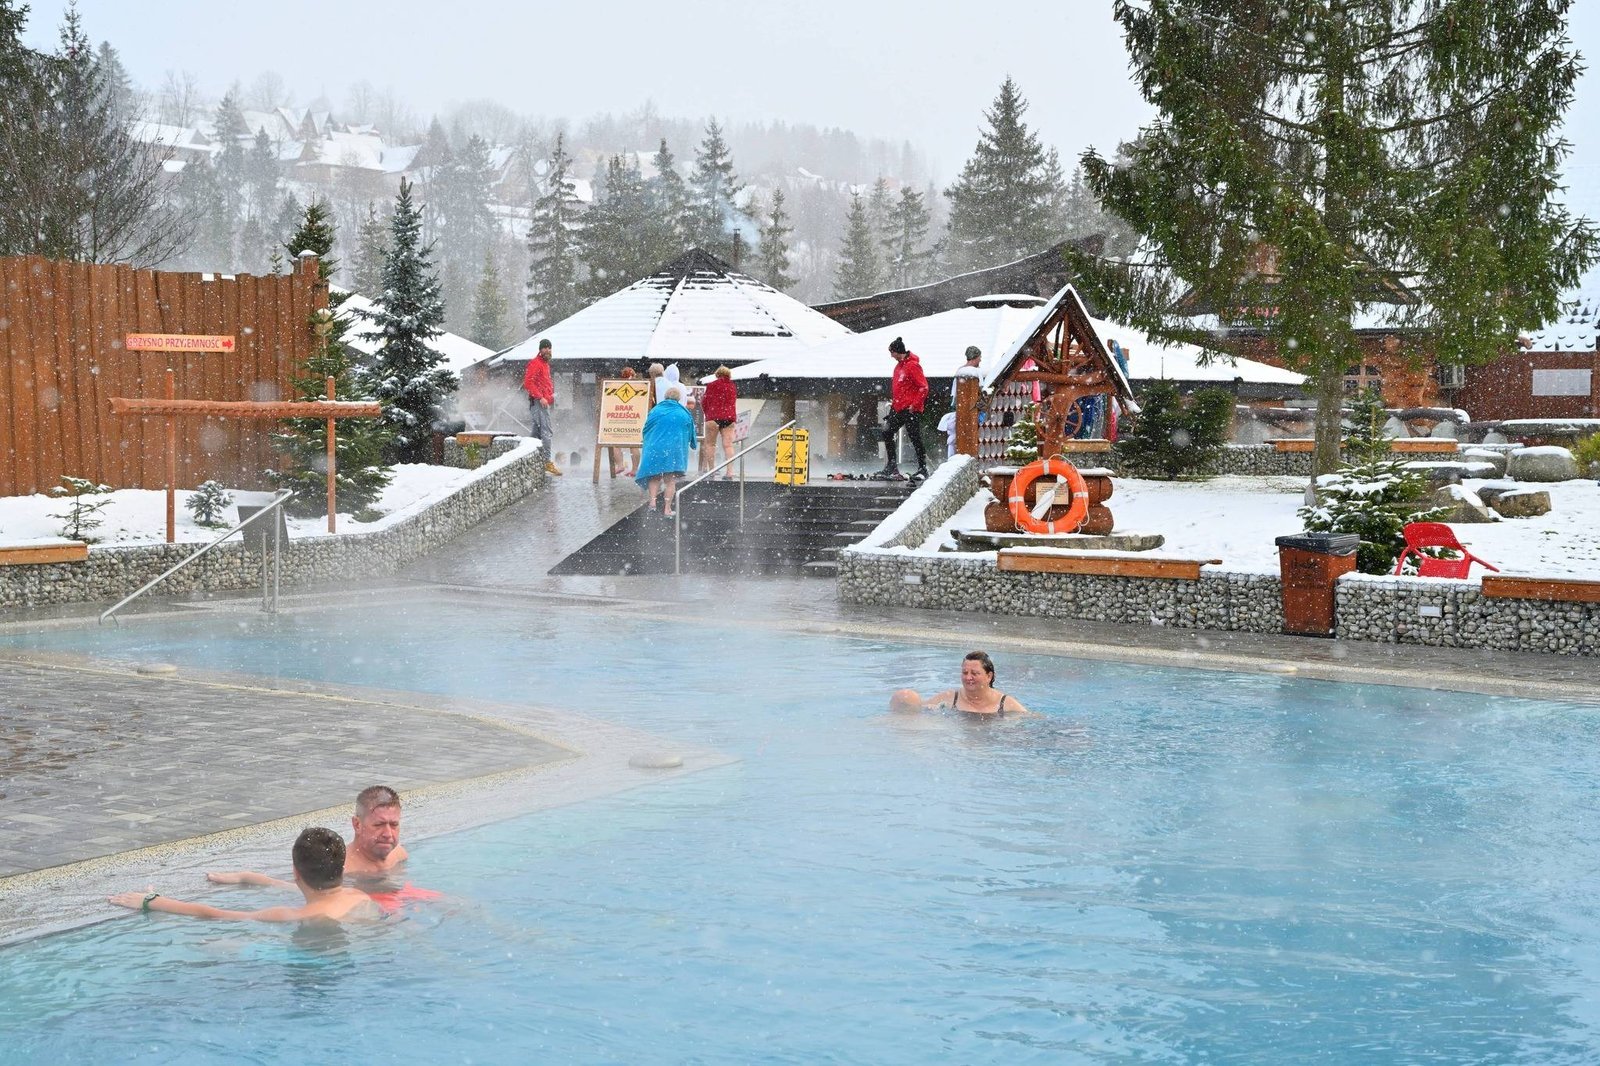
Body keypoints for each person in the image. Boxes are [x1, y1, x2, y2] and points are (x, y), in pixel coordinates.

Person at [109, 827, 380, 924]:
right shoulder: (357, 896)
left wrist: (152, 901)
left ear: (296, 871)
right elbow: (287, 887)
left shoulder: (295, 916)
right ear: (342, 869)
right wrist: (250, 877)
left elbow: (215, 914)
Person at [209, 785, 408, 888]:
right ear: (357, 824)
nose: (388, 834)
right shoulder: (340, 867)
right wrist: (247, 877)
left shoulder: (398, 854)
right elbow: (296, 888)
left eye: (394, 825)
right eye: (379, 825)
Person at [890, 650, 1033, 717]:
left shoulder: (1005, 704)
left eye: (974, 673)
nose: (968, 678)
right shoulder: (951, 698)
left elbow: (1031, 720)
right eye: (965, 673)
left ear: (989, 676)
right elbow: (917, 709)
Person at [635, 386, 698, 516]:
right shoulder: (684, 413)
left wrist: (649, 440)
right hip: (673, 449)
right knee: (670, 480)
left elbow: (646, 428)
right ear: (679, 399)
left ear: (665, 398)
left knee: (655, 476)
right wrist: (693, 443)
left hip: (655, 447)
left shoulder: (655, 410)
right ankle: (667, 509)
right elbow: (691, 431)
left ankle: (652, 504)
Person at [878, 336, 929, 481]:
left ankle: (922, 467)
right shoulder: (898, 366)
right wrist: (893, 407)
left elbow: (923, 387)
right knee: (887, 432)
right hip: (898, 407)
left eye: (892, 352)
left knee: (915, 437)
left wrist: (916, 405)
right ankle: (892, 465)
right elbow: (899, 389)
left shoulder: (913, 366)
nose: (891, 355)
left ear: (897, 351)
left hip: (910, 408)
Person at [523, 338, 562, 476]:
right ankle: (546, 461)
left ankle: (529, 460)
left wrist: (550, 396)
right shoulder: (536, 363)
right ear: (540, 349)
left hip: (542, 402)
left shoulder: (545, 364)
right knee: (546, 432)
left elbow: (544, 383)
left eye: (549, 348)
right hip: (539, 403)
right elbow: (528, 383)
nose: (548, 350)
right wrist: (541, 397)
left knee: (536, 433)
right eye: (545, 348)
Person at [702, 366, 739, 479]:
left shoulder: (711, 385)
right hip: (729, 418)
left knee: (710, 444)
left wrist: (708, 413)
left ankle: (712, 471)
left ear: (717, 375)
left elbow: (704, 401)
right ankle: (729, 472)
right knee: (728, 445)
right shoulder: (732, 386)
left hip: (713, 417)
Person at [616, 366, 642, 477]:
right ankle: (634, 469)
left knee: (614, 442)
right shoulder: (641, 387)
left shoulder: (616, 386)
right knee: (633, 444)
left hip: (619, 417)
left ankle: (620, 465)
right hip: (634, 417)